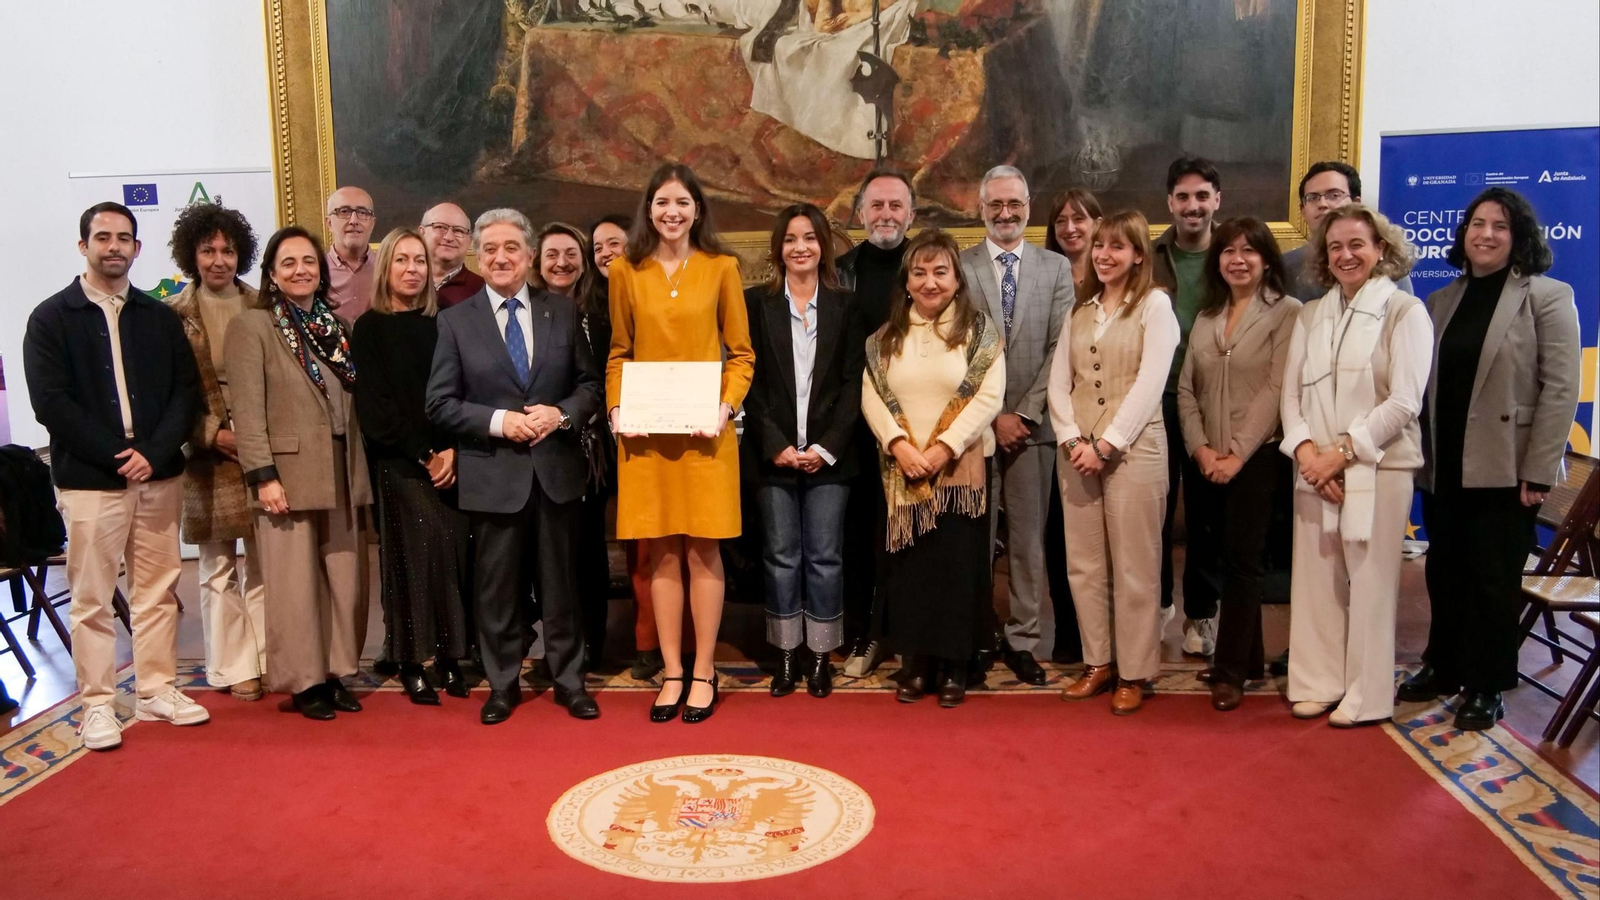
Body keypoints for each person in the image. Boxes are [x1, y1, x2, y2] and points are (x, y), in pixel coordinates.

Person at [23, 202, 207, 750]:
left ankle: (155, 690)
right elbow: (51, 404)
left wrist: (151, 452)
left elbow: (185, 392)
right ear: (84, 246)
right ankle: (98, 705)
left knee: (157, 591)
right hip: (90, 479)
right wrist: (117, 454)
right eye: (102, 237)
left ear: (137, 248)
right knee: (92, 597)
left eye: (124, 237)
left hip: (158, 475)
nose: (114, 246)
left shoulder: (158, 317)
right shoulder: (51, 318)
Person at [1406, 188, 1582, 730]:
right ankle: (1444, 666)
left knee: (1491, 579)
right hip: (1447, 464)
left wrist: (1538, 471)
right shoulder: (1441, 300)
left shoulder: (1547, 297)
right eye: (1476, 223)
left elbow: (1560, 389)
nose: (1484, 234)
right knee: (1446, 570)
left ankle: (1487, 684)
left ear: (1518, 237)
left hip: (1507, 468)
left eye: (1499, 226)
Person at [428, 208, 604, 724]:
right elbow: (439, 402)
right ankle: (502, 685)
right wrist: (500, 421)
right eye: (490, 250)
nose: (501, 257)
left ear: (529, 255)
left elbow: (590, 387)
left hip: (555, 473)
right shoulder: (456, 321)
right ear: (476, 258)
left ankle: (570, 681)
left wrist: (561, 414)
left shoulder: (563, 312)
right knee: (497, 590)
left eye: (511, 248)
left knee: (562, 586)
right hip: (493, 475)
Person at [606, 163, 755, 724]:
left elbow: (741, 355)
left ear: (697, 210)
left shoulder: (722, 268)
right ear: (649, 209)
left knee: (704, 550)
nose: (672, 212)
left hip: (706, 435)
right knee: (661, 553)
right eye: (663, 202)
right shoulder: (627, 270)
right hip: (646, 438)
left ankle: (705, 670)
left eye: (683, 203)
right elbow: (619, 353)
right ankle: (672, 671)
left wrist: (724, 407)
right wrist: (618, 411)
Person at [1280, 204, 1431, 728]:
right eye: (1335, 247)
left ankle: (1366, 696)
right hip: (1314, 470)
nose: (1346, 255)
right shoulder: (1310, 313)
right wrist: (1307, 456)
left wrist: (1339, 455)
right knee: (1317, 580)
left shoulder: (1405, 312)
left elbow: (1406, 401)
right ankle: (1318, 680)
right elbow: (1290, 398)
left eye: (1357, 245)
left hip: (1379, 468)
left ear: (1380, 250)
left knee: (1371, 584)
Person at [226, 225, 373, 721]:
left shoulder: (338, 327)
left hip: (342, 466)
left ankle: (334, 674)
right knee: (294, 585)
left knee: (343, 579)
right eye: (288, 262)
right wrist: (262, 476)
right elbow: (246, 412)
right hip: (286, 474)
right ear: (271, 272)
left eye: (309, 261)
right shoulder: (254, 327)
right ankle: (305, 682)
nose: (300, 270)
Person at [862, 229, 1005, 708]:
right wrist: (898, 444)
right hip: (904, 473)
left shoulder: (979, 330)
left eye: (940, 271)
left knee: (958, 571)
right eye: (919, 272)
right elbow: (872, 396)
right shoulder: (887, 336)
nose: (930, 282)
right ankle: (917, 664)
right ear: (906, 281)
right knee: (911, 573)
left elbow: (989, 395)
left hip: (959, 470)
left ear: (956, 279)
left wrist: (945, 447)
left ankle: (955, 666)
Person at [1049, 210, 1181, 715]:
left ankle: (1135, 671)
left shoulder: (1155, 306)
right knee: (1084, 565)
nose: (1104, 254)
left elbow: (1151, 384)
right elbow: (1060, 383)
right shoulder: (1079, 311)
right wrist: (1070, 440)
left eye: (1117, 247)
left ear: (1138, 255)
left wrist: (1107, 445)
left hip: (1134, 452)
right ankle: (1097, 663)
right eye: (1100, 246)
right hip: (1076, 453)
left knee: (1135, 567)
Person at [1176, 217, 1301, 711]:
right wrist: (1202, 449)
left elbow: (1276, 389)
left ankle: (1230, 671)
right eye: (1228, 250)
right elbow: (1187, 389)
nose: (1238, 259)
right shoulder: (1208, 315)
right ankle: (1248, 659)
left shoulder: (1288, 312)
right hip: (1208, 456)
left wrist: (1235, 456)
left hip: (1258, 457)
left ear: (1267, 259)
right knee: (1222, 559)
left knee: (1246, 564)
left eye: (1249, 250)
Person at [957, 166, 1074, 685]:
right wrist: (992, 416)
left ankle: (1025, 640)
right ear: (980, 210)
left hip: (1034, 431)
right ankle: (978, 634)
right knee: (975, 541)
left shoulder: (1056, 268)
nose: (1005, 213)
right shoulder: (959, 268)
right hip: (975, 432)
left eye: (1015, 204)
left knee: (1027, 543)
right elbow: (956, 350)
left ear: (1029, 204)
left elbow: (1061, 349)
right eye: (994, 205)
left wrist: (1021, 414)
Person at [743, 203, 866, 698]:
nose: (800, 247)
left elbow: (854, 382)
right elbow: (746, 379)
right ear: (779, 248)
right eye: (791, 238)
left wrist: (827, 446)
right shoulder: (756, 303)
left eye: (810, 238)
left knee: (824, 556)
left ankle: (820, 655)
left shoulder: (846, 305)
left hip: (830, 456)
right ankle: (786, 655)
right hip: (772, 454)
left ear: (824, 246)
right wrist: (774, 444)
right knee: (781, 556)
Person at [351, 228, 471, 706]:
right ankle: (407, 659)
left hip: (452, 459)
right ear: (387, 268)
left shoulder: (446, 323)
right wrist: (424, 454)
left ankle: (446, 658)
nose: (411, 269)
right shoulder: (370, 327)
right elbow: (377, 406)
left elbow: (464, 392)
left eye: (419, 260)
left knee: (451, 557)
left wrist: (454, 452)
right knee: (412, 560)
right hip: (399, 461)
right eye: (401, 260)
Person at [165, 202, 268, 702]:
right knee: (218, 567)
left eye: (228, 250)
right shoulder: (173, 316)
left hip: (265, 449)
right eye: (208, 250)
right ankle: (232, 667)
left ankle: (269, 657)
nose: (219, 260)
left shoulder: (264, 305)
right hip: (208, 458)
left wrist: (255, 437)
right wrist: (210, 434)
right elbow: (167, 394)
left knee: (267, 562)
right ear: (192, 255)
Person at [835, 167, 916, 677]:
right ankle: (865, 634)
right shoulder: (839, 271)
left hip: (919, 429)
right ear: (860, 213)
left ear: (912, 213)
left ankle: (908, 633)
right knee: (860, 536)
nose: (885, 215)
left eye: (895, 206)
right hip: (856, 430)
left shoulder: (930, 267)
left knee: (910, 534)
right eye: (876, 206)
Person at [1152, 156, 1223, 658]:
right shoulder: (1151, 255)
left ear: (1217, 200)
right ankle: (1156, 606)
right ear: (1169, 203)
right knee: (1152, 513)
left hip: (1212, 406)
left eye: (1202, 196)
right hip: (1155, 403)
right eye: (1183, 197)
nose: (1192, 206)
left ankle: (1201, 615)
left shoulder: (1234, 253)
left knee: (1205, 517)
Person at [591, 214, 664, 679]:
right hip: (596, 437)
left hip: (647, 429)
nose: (605, 253)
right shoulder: (582, 304)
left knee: (648, 543)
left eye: (614, 243)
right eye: (596, 246)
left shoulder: (646, 291)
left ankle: (651, 642)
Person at [536, 221, 610, 671]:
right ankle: (558, 646)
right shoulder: (527, 310)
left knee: (587, 550)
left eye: (570, 254)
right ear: (537, 262)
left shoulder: (602, 312)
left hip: (593, 450)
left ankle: (591, 645)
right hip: (542, 445)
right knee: (549, 553)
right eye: (551, 255)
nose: (561, 263)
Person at [1284, 161, 1414, 302]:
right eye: (1313, 198)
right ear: (1302, 210)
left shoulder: (1389, 263)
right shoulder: (1286, 266)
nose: (1322, 204)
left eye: (1333, 195)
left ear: (1356, 203)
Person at [324, 186, 378, 324]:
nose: (354, 220)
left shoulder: (388, 269)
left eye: (363, 212)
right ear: (329, 223)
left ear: (372, 223)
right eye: (344, 211)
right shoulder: (315, 271)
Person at [421, 202, 484, 308]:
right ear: (421, 233)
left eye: (458, 230)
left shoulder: (483, 291)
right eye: (440, 227)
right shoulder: (403, 283)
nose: (449, 237)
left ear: (469, 240)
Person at [1043, 188, 1104, 294]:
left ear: (1098, 224)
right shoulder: (1042, 276)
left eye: (1078, 219)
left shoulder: (1112, 275)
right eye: (1061, 221)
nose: (1069, 229)